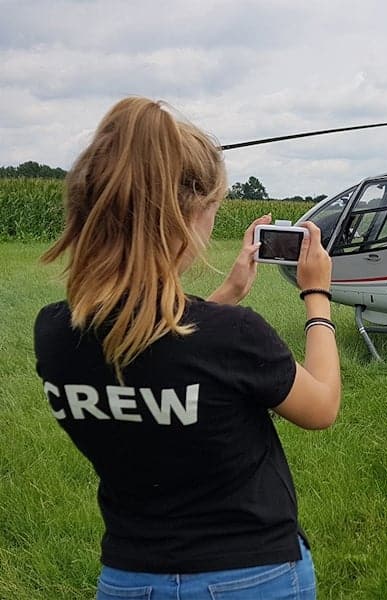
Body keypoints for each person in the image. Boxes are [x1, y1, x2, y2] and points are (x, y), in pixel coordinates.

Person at [33, 97, 340, 600]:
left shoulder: (56, 332)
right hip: (254, 575)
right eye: (214, 210)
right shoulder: (234, 336)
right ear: (187, 216)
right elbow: (321, 406)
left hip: (129, 579)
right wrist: (317, 295)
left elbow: (158, 352)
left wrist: (224, 297)